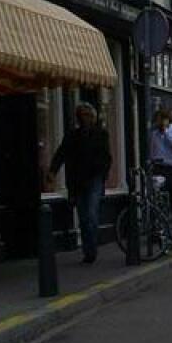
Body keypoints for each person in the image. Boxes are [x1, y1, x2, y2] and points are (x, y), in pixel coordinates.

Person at [47, 102, 112, 264]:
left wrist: (102, 174)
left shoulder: (101, 134)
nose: (85, 119)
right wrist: (52, 171)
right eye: (81, 115)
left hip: (94, 178)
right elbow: (61, 153)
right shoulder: (72, 136)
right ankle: (88, 251)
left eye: (88, 115)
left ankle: (92, 248)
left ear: (93, 117)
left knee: (91, 213)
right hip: (77, 181)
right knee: (83, 217)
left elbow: (106, 157)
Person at [150, 108, 172, 240]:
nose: (158, 123)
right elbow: (153, 151)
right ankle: (158, 232)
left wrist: (165, 131)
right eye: (157, 121)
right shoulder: (154, 134)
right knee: (156, 200)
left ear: (166, 120)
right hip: (159, 169)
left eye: (160, 120)